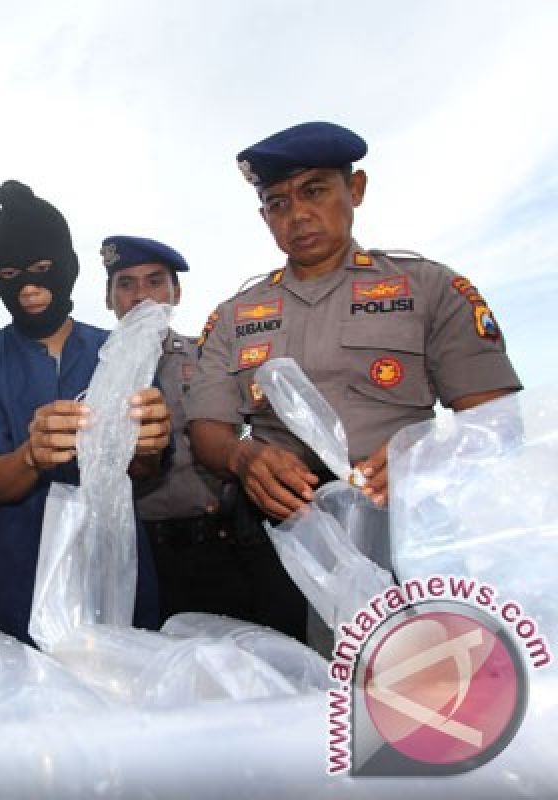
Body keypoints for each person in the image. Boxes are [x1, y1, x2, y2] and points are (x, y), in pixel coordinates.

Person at [187, 121, 522, 640]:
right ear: (264, 219)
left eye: (315, 191)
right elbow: (207, 429)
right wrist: (242, 458)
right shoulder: (236, 314)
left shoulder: (428, 288)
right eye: (277, 203)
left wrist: (424, 452)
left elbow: (496, 419)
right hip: (286, 539)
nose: (297, 214)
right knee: (292, 702)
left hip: (404, 529)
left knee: (410, 690)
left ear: (356, 190)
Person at [0, 180, 170, 645]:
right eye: (10, 275)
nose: (28, 288)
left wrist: (148, 443)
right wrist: (31, 456)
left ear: (68, 267)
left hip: (114, 574)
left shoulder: (119, 352)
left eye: (43, 269)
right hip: (18, 582)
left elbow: (144, 469)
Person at [101, 235, 254, 623]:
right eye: (126, 284)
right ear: (109, 299)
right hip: (131, 551)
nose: (141, 296)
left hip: (210, 547)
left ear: (176, 293)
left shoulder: (207, 357)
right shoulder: (93, 368)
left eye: (155, 282)